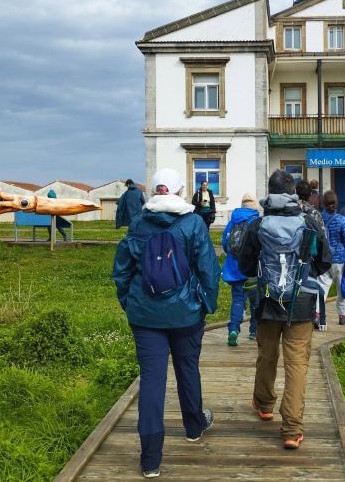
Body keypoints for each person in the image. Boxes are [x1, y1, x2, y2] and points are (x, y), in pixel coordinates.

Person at [111, 169, 220, 478]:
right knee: (188, 368)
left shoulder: (138, 223)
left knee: (152, 381)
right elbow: (208, 270)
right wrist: (206, 306)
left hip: (145, 317)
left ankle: (150, 460)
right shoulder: (194, 223)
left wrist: (130, 304)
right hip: (186, 314)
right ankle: (193, 427)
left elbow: (122, 271)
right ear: (179, 190)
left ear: (156, 192)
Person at [237, 169, 331, 450]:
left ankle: (264, 404)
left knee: (267, 356)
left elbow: (244, 265)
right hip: (300, 304)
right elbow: (324, 261)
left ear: (269, 191)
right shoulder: (309, 222)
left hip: (267, 301)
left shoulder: (257, 225)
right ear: (292, 194)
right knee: (297, 364)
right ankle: (291, 429)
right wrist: (303, 271)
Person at [222, 193, 261, 346]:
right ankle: (254, 330)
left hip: (235, 268)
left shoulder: (233, 221)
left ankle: (233, 329)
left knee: (238, 300)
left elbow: (225, 245)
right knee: (255, 301)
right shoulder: (257, 221)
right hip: (252, 269)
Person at [317, 190, 345, 327]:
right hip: (339, 260)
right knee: (342, 289)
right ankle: (343, 316)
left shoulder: (318, 219)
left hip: (323, 259)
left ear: (323, 203)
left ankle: (317, 314)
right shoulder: (341, 220)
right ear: (336, 204)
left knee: (322, 288)